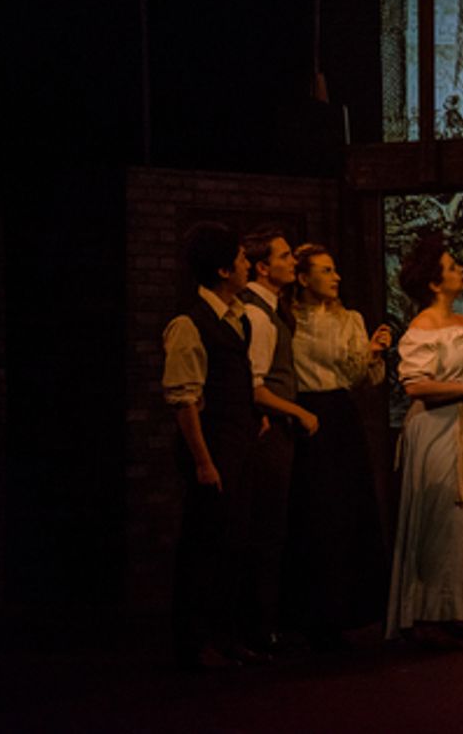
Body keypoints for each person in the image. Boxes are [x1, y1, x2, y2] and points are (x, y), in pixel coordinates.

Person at [386, 234, 463, 648]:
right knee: (444, 518)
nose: (461, 271)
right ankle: (430, 611)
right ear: (435, 283)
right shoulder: (422, 328)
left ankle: (460, 608)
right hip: (437, 430)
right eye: (452, 267)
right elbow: (415, 386)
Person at [161, 222, 263, 669]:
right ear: (223, 269)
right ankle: (193, 641)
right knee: (204, 545)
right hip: (213, 447)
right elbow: (184, 399)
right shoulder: (189, 322)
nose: (246, 266)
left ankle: (225, 634)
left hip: (236, 444)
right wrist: (204, 461)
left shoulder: (235, 316)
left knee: (234, 542)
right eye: (241, 259)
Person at [281, 243, 391, 649]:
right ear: (304, 277)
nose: (336, 277)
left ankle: (349, 609)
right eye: (326, 271)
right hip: (301, 410)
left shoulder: (349, 319)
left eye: (335, 270)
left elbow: (362, 377)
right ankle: (308, 613)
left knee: (345, 511)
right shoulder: (287, 318)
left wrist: (372, 353)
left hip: (338, 414)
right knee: (309, 512)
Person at [237, 226, 317, 657]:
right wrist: (299, 412)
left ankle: (262, 624)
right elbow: (255, 385)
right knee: (263, 531)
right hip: (266, 436)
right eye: (285, 257)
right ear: (263, 267)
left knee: (271, 531)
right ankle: (256, 629)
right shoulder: (257, 314)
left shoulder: (271, 309)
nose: (293, 263)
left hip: (274, 431)